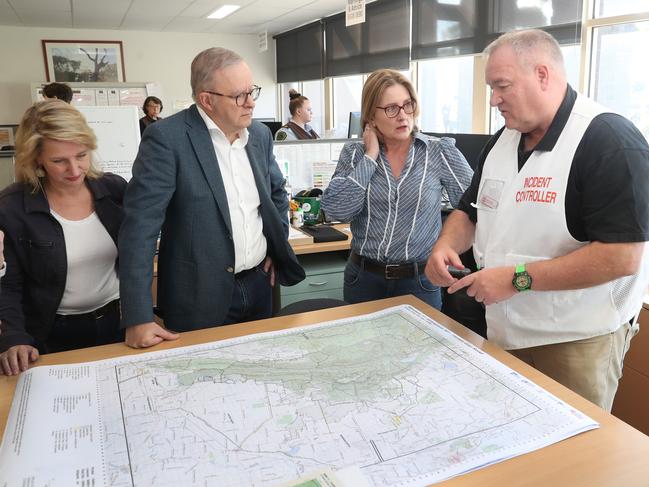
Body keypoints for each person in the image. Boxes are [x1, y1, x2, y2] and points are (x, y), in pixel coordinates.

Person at [425, 29, 649, 411]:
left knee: (570, 460)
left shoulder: (607, 140)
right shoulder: (502, 142)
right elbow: (469, 211)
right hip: (504, 330)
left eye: (502, 86)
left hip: (574, 341)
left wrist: (516, 279)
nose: (494, 99)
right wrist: (446, 244)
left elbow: (621, 257)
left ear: (543, 75)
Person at [119, 47, 305, 349]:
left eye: (252, 91)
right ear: (207, 100)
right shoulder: (167, 139)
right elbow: (138, 231)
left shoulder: (258, 135)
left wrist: (276, 244)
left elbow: (275, 193)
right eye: (239, 96)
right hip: (198, 295)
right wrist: (138, 317)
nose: (251, 102)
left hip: (259, 283)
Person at [321, 69, 473, 310]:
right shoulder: (354, 154)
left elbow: (473, 208)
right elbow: (337, 210)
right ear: (371, 115)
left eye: (408, 105)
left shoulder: (439, 151)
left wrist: (446, 244)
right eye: (391, 109)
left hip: (419, 280)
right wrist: (370, 157)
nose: (403, 116)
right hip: (363, 278)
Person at [0, 100, 127, 375]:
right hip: (51, 334)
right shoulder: (11, 208)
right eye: (59, 161)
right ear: (36, 160)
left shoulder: (114, 190)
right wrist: (14, 337)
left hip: (115, 322)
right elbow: (7, 284)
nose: (74, 170)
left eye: (81, 155)